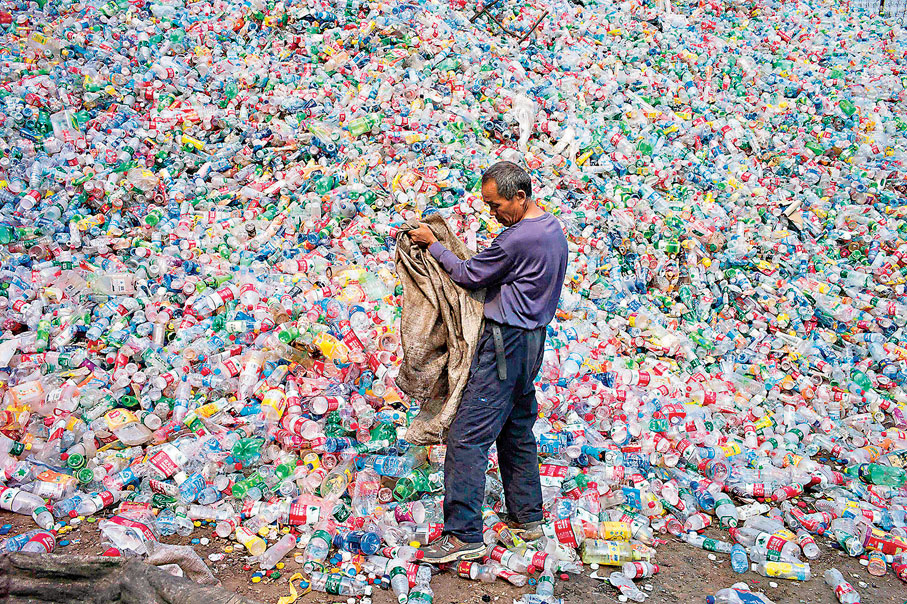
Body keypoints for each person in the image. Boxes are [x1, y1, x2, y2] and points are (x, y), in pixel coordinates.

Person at [407, 161, 569, 563]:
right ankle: (527, 519)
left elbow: (467, 274)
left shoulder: (517, 239)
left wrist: (433, 243)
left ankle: (462, 535)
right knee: (516, 431)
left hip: (504, 345)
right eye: (487, 205)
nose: (492, 213)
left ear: (520, 196)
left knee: (467, 437)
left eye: (497, 205)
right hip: (533, 343)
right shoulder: (551, 229)